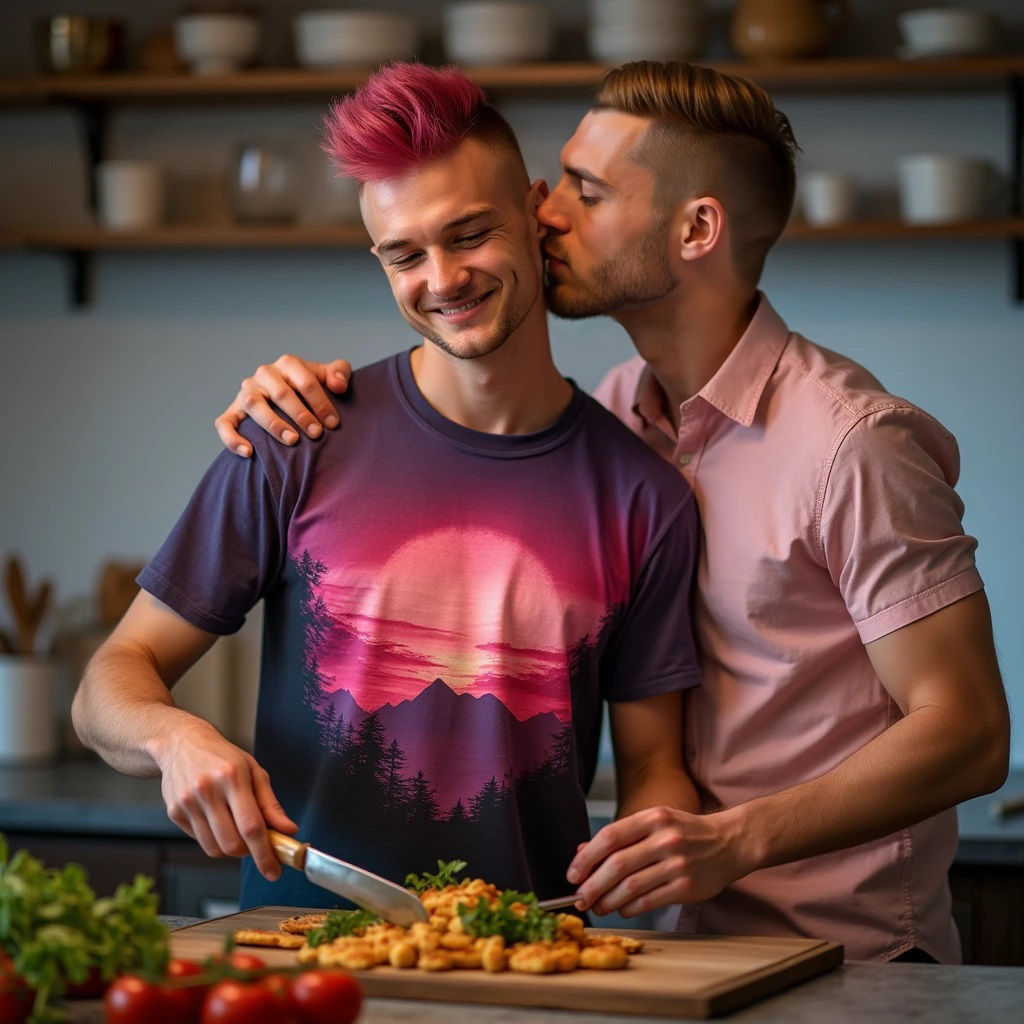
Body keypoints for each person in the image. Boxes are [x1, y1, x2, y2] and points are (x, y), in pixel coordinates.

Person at [215, 60, 1010, 961]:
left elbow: (971, 732)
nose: (547, 212)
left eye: (588, 193)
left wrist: (737, 839)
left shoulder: (852, 444)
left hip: (848, 960)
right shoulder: (624, 407)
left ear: (696, 228)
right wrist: (293, 394)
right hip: (678, 952)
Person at [72, 63, 704, 911]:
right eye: (406, 253)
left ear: (535, 210)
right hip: (298, 963)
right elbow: (111, 679)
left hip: (527, 964)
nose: (442, 279)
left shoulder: (644, 498)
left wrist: (653, 854)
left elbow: (655, 764)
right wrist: (174, 737)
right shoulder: (297, 436)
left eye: (470, 233)